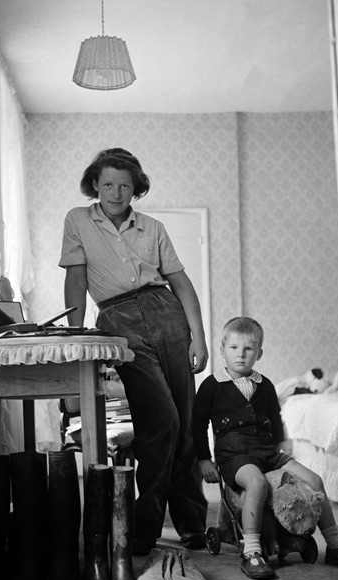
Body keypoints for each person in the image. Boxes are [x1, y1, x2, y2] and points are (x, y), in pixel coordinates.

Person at [59, 148, 208, 555]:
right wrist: (76, 334)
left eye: (125, 185)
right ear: (95, 184)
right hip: (117, 319)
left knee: (186, 418)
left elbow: (180, 282)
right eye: (107, 183)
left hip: (166, 313)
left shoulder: (153, 227)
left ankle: (192, 523)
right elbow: (75, 280)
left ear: (135, 188)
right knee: (161, 419)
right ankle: (144, 524)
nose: (116, 192)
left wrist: (199, 335)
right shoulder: (78, 220)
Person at [192, 316, 338, 579]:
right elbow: (197, 424)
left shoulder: (265, 385)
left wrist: (282, 442)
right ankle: (251, 552)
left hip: (268, 453)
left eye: (248, 349)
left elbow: (275, 418)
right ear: (222, 350)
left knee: (315, 481)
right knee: (257, 484)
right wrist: (204, 460)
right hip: (234, 456)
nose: (241, 355)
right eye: (234, 348)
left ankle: (335, 544)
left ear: (259, 353)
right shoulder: (212, 385)